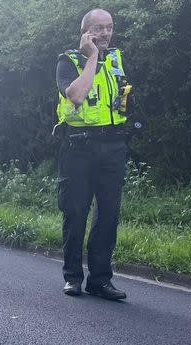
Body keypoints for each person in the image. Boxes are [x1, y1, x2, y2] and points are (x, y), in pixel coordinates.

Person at [55, 9, 132, 301]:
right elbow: (76, 95)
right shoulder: (68, 61)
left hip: (112, 147)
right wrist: (91, 57)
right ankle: (73, 277)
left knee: (109, 215)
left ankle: (100, 280)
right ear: (85, 32)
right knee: (75, 212)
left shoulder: (115, 59)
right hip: (78, 148)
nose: (105, 33)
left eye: (109, 27)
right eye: (99, 28)